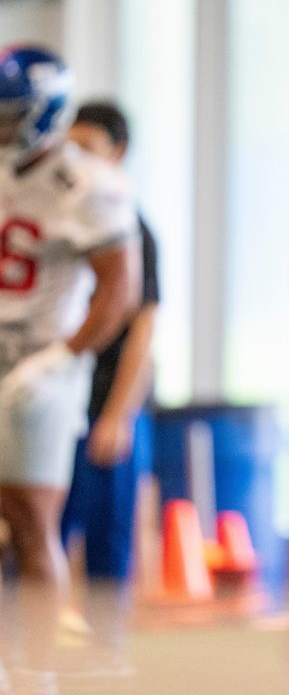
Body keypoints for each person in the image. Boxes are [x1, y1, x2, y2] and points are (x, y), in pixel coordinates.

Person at [0, 46, 139, 689]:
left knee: (32, 521)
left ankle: (38, 671)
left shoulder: (87, 182)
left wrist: (62, 358)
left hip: (39, 362)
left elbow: (121, 289)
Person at [59, 100, 158, 670]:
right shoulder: (66, 221)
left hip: (107, 413)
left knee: (105, 549)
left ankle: (104, 660)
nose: (77, 162)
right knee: (36, 537)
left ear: (117, 154)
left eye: (88, 150)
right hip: (57, 409)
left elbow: (143, 330)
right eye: (70, 149)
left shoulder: (133, 228)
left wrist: (117, 416)